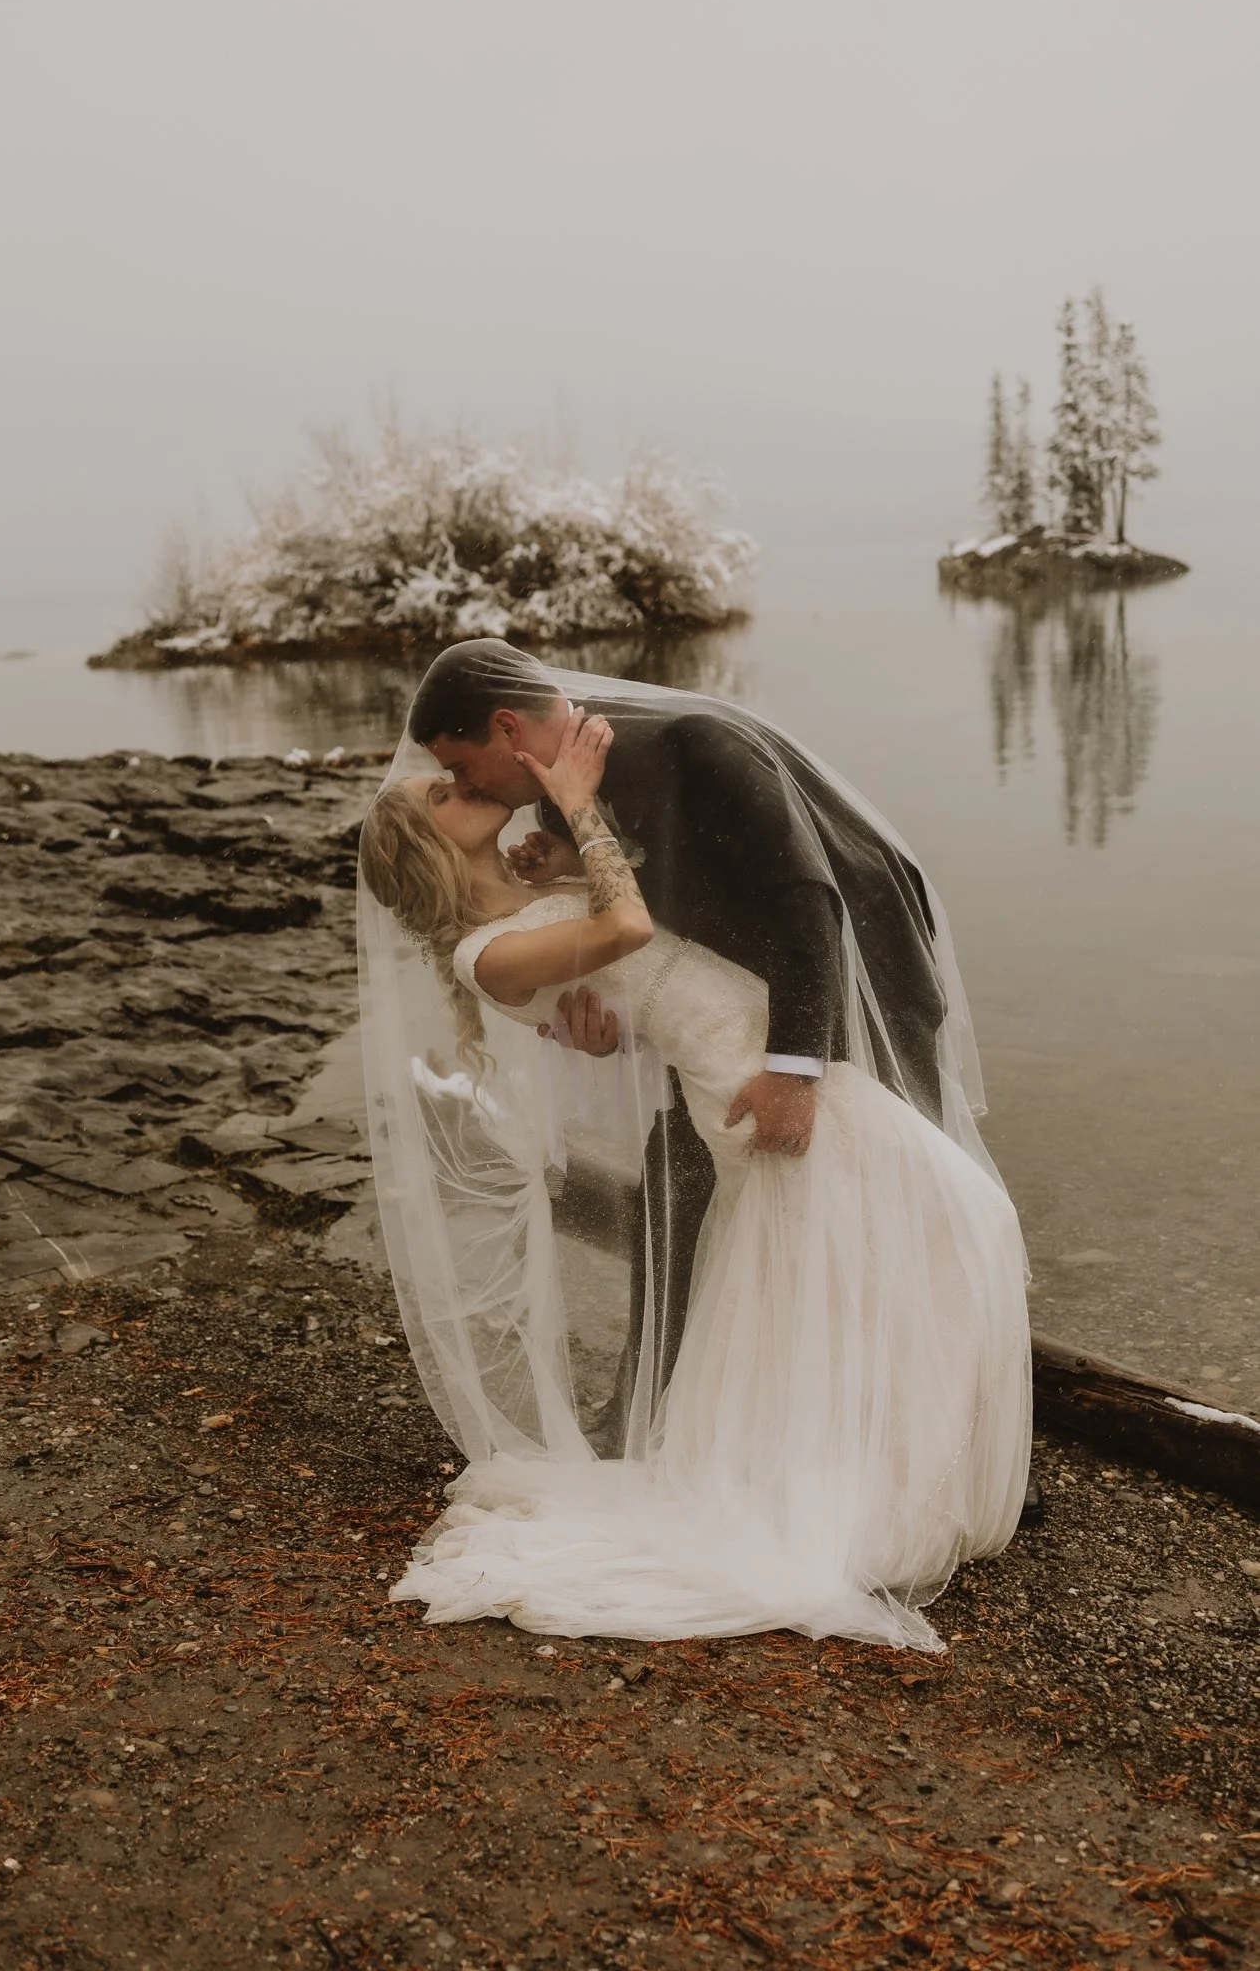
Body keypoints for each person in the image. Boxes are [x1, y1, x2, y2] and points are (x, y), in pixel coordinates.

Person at [355, 656, 1035, 1650]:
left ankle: (877, 1462)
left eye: (460, 771)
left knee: (889, 1251)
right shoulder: (513, 910)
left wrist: (583, 901)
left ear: (505, 729)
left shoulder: (674, 757)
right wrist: (583, 830)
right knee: (920, 1238)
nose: (473, 792)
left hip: (811, 1020)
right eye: (448, 793)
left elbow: (781, 905)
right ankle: (866, 1484)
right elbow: (631, 933)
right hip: (752, 1066)